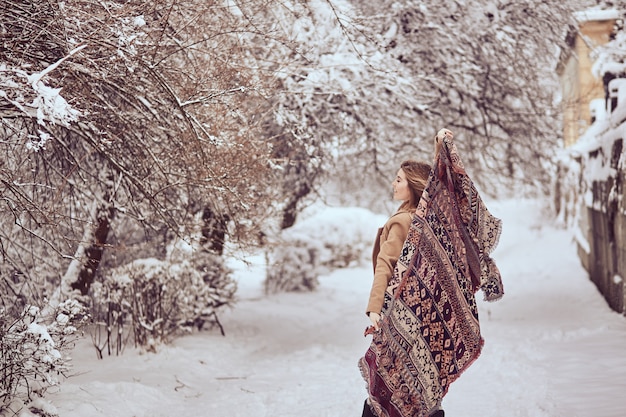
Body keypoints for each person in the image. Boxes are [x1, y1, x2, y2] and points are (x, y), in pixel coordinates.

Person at [359, 128, 504, 417]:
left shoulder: (403, 222)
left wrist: (375, 308)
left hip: (400, 314)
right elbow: (442, 188)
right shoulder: (431, 223)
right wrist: (439, 147)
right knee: (425, 388)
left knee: (386, 387)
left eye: (399, 179)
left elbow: (385, 267)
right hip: (428, 314)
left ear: (412, 186)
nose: (393, 183)